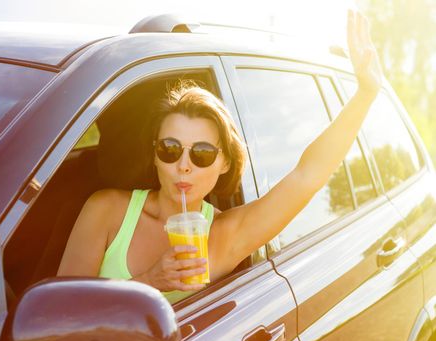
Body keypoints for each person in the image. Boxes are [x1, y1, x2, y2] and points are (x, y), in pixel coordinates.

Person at [58, 10, 382, 304]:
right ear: (155, 155)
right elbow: (60, 313)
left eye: (201, 154)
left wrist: (365, 95)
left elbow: (306, 175)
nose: (183, 165)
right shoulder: (106, 211)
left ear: (224, 161)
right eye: (170, 149)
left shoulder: (223, 237)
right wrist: (150, 281)